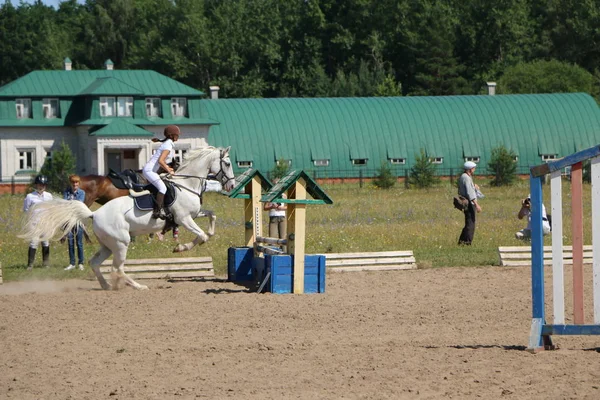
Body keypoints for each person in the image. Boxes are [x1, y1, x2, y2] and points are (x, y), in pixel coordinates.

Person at [142, 125, 180, 219]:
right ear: (172, 136)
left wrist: (169, 168)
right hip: (149, 171)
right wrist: (168, 170)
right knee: (163, 188)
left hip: (151, 171)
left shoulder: (167, 142)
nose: (178, 136)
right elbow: (161, 161)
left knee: (160, 187)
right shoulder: (168, 144)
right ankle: (157, 211)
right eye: (177, 135)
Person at [23, 175, 53, 270]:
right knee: (33, 243)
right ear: (36, 185)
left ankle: (46, 263)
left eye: (43, 185)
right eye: (40, 185)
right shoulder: (30, 196)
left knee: (46, 243)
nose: (42, 187)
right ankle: (30, 264)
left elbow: (51, 209)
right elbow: (26, 210)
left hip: (45, 223)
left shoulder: (49, 196)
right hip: (34, 224)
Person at [63, 175, 86, 271]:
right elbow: (64, 204)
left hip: (78, 220)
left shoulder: (81, 193)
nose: (75, 184)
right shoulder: (66, 192)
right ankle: (72, 263)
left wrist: (70, 203)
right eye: (73, 182)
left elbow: (78, 204)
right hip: (69, 220)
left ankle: (81, 262)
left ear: (79, 183)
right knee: (70, 242)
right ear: (70, 183)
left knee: (79, 243)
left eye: (76, 182)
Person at [457, 161, 482, 245]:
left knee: (468, 222)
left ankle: (461, 241)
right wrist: (477, 205)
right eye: (473, 168)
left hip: (467, 202)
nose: (474, 170)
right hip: (470, 204)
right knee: (471, 223)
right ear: (470, 169)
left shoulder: (464, 176)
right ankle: (467, 242)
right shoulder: (466, 178)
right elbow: (470, 193)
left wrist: (474, 186)